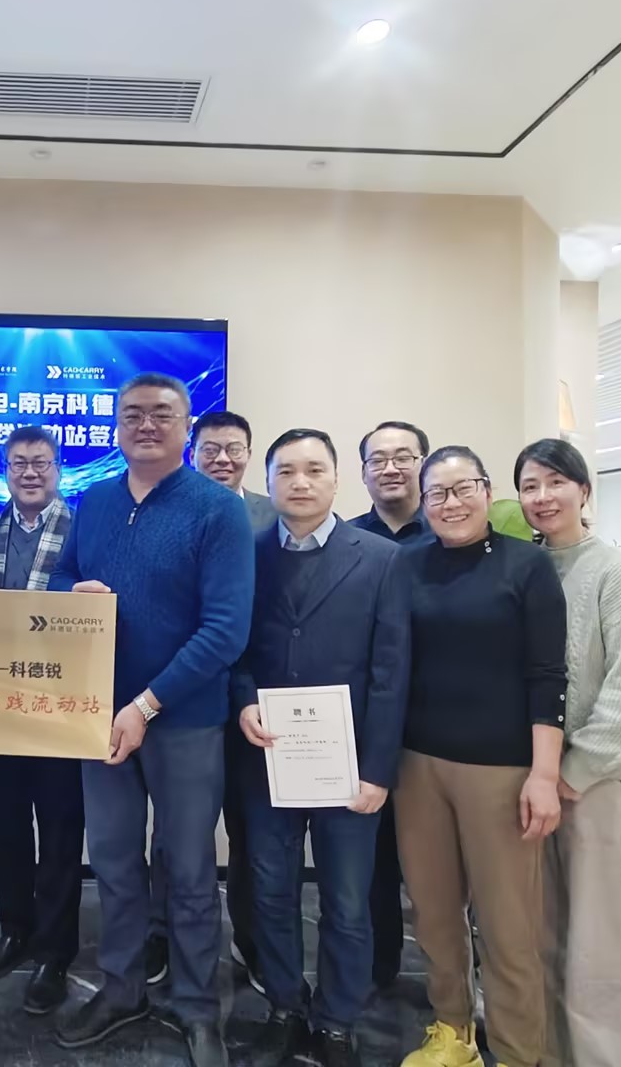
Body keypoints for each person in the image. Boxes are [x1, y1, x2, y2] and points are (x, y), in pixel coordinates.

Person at [45, 373, 254, 1067]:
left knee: (188, 869)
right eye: (131, 414)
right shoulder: (94, 502)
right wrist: (71, 593)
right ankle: (122, 988)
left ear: (186, 426)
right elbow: (59, 580)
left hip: (184, 720)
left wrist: (146, 705)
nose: (145, 425)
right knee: (112, 861)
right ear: (115, 427)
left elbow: (225, 630)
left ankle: (196, 1005)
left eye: (162, 414)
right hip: (96, 714)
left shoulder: (216, 509)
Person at [233, 428, 410, 1067]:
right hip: (268, 757)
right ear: (269, 482)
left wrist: (379, 770)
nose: (300, 482)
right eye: (286, 471)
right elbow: (232, 645)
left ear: (337, 479)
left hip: (350, 765)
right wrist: (244, 699)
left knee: (347, 902)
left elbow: (391, 672)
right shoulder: (246, 554)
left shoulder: (382, 558)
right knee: (271, 892)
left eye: (314, 470)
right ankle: (285, 1005)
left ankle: (336, 1019)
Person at [396, 446, 567, 1067]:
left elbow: (548, 674)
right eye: (436, 493)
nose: (450, 503)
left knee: (508, 925)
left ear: (487, 492)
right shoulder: (407, 565)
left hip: (502, 771)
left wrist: (544, 774)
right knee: (434, 914)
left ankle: (521, 1051)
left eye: (463, 488)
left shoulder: (527, 566)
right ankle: (453, 1032)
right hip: (417, 767)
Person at [515, 438, 621, 1067]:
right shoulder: (528, 567)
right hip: (539, 786)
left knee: (603, 951)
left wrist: (569, 773)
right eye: (530, 485)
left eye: (556, 482)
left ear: (584, 490)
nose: (543, 497)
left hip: (602, 786)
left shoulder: (617, 572)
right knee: (548, 938)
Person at [140, 409, 273, 993]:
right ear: (192, 451)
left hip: (250, 701)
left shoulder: (272, 516)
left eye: (234, 448)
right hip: (180, 695)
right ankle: (160, 932)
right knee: (172, 832)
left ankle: (250, 938)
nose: (223, 458)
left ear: (249, 454)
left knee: (249, 827)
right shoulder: (162, 509)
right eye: (211, 448)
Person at [0, 426, 81, 1015]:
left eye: (41, 463)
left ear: (59, 468)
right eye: (19, 463)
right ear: (4, 471)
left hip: (62, 709)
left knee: (59, 833)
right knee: (6, 828)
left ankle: (55, 951)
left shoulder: (84, 530)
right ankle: (15, 929)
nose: (30, 473)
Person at [352, 420, 432, 989]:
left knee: (438, 862)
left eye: (403, 456)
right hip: (372, 724)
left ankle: (452, 981)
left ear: (424, 464)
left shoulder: (449, 533)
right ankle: (378, 971)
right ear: (361, 473)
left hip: (436, 724)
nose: (390, 468)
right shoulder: (349, 541)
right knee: (373, 858)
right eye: (377, 459)